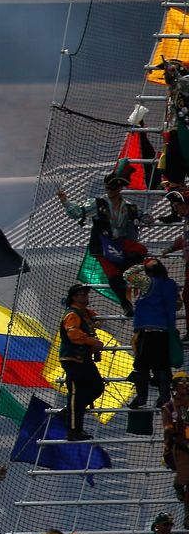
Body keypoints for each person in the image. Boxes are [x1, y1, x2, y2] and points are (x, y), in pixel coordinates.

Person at [60, 175, 149, 313]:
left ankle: (124, 270)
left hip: (121, 243)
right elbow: (78, 213)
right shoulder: (97, 204)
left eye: (113, 188)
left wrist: (147, 218)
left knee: (141, 250)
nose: (110, 191)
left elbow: (144, 216)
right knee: (113, 276)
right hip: (103, 246)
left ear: (119, 188)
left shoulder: (128, 207)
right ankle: (125, 304)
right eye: (108, 187)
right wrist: (65, 201)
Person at [57, 284, 108, 439]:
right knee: (75, 392)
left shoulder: (83, 313)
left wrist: (94, 322)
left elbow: (93, 317)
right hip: (73, 358)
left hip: (82, 358)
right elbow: (73, 335)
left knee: (96, 387)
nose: (85, 296)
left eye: (86, 294)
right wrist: (92, 341)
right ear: (74, 297)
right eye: (81, 294)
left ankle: (70, 410)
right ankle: (73, 430)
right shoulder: (72, 314)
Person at [129, 259, 181, 411]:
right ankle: (164, 398)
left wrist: (141, 264)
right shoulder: (171, 284)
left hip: (147, 331)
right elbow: (177, 304)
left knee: (141, 366)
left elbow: (128, 275)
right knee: (163, 366)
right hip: (165, 330)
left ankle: (141, 397)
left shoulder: (147, 283)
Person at [166, 373, 189, 523]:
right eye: (180, 383)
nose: (184, 386)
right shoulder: (170, 407)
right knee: (185, 477)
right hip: (181, 448)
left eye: (186, 383)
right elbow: (168, 429)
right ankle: (178, 485)